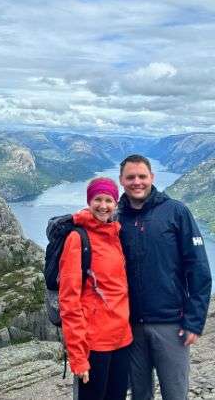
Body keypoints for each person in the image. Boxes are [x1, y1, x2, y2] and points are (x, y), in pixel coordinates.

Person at [117, 155, 211, 400]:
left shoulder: (176, 212)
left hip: (172, 325)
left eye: (142, 176)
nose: (137, 182)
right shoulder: (116, 219)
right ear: (121, 181)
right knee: (140, 394)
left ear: (152, 178)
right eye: (130, 177)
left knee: (175, 393)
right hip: (131, 327)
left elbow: (199, 269)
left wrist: (194, 321)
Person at [59, 177, 132, 400]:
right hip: (95, 344)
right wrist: (78, 358)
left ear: (116, 203)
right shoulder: (77, 238)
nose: (103, 205)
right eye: (97, 199)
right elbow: (69, 301)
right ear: (89, 202)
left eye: (109, 200)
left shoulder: (115, 234)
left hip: (122, 340)